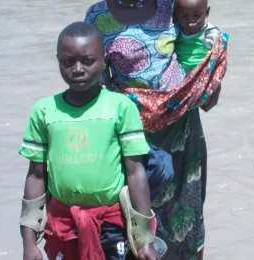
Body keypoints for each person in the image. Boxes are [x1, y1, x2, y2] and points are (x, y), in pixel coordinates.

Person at [84, 1, 229, 259]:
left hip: (182, 134)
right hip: (130, 139)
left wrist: (206, 85)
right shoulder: (98, 17)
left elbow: (195, 46)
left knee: (187, 218)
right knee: (132, 226)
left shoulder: (173, 5)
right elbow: (95, 85)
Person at [18, 22, 160, 260]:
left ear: (104, 61)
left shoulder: (120, 107)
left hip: (112, 227)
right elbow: (36, 176)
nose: (77, 69)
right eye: (67, 61)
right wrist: (29, 243)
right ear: (58, 61)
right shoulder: (44, 111)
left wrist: (145, 239)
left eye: (88, 60)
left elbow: (136, 172)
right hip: (63, 227)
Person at [175, 0, 219, 74]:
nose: (190, 20)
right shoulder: (176, 32)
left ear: (207, 12)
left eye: (196, 15)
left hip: (202, 77)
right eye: (184, 16)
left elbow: (219, 58)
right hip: (182, 78)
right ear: (176, 14)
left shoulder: (210, 33)